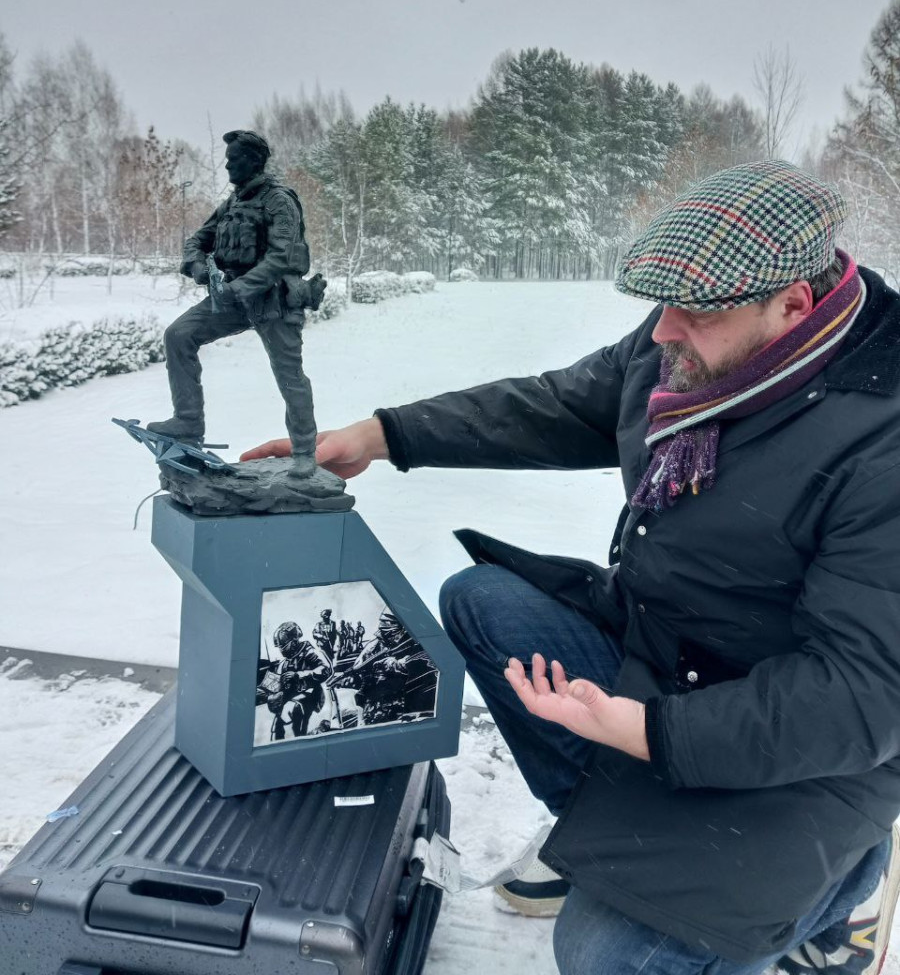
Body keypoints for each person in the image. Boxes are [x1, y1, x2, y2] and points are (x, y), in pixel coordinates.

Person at [242, 161, 900, 975]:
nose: (662, 333)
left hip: (803, 749)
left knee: (605, 954)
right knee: (485, 603)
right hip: (667, 654)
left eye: (691, 313)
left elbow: (863, 698)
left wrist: (644, 732)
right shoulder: (698, 350)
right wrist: (379, 436)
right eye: (660, 309)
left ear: (793, 305)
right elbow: (560, 404)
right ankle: (607, 833)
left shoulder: (883, 437)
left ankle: (837, 895)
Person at [148, 129, 321, 474]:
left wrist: (238, 288)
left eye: (235, 157)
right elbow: (198, 240)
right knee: (179, 335)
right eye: (227, 157)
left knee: (289, 376)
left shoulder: (278, 200)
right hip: (233, 298)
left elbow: (281, 258)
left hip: (274, 301)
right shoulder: (233, 202)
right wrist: (198, 266)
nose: (227, 164)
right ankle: (188, 422)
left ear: (254, 161)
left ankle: (304, 451)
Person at [263, 620, 328, 740]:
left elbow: (326, 669)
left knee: (296, 711)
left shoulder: (309, 651)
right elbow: (273, 685)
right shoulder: (284, 663)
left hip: (312, 695)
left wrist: (299, 675)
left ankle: (302, 740)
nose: (281, 650)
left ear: (294, 641)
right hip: (291, 697)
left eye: (284, 646)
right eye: (280, 647)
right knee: (278, 722)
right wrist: (271, 695)